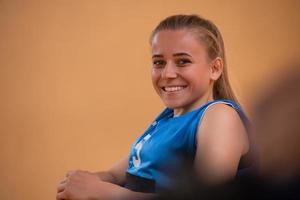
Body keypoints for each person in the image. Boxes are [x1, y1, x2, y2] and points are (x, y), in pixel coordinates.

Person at [56, 14, 250, 200]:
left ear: (214, 68)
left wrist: (105, 193)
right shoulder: (167, 118)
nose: (167, 73)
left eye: (183, 61)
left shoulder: (219, 116)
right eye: (159, 62)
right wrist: (79, 184)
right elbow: (114, 176)